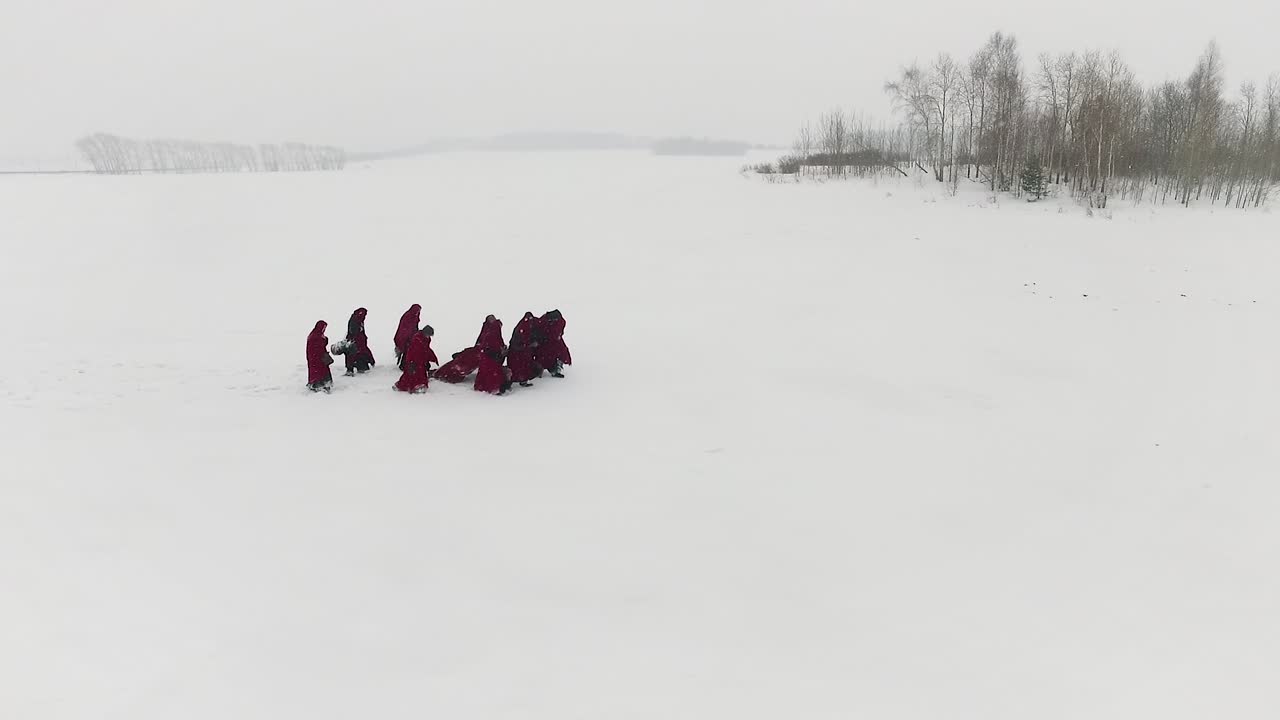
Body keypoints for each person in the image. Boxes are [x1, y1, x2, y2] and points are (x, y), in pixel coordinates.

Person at [394, 325, 438, 393]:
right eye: (428, 335)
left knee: (421, 374)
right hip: (413, 360)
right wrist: (410, 362)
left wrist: (431, 357)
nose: (428, 336)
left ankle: (420, 385)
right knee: (410, 374)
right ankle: (402, 386)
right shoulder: (416, 339)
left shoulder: (426, 339)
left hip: (421, 360)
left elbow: (426, 349)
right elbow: (411, 351)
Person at [506, 311, 543, 386]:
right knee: (519, 367)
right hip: (518, 352)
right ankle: (513, 381)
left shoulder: (525, 326)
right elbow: (518, 342)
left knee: (524, 366)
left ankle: (523, 380)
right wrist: (530, 345)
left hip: (522, 351)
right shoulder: (522, 328)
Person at [535, 309, 571, 378]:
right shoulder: (544, 320)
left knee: (561, 354)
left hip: (554, 342)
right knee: (543, 356)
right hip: (544, 342)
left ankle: (556, 369)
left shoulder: (560, 322)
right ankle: (539, 369)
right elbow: (538, 330)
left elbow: (559, 332)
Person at [344, 307, 375, 376]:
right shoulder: (356, 320)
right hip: (356, 343)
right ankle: (352, 369)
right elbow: (354, 331)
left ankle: (354, 368)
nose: (365, 317)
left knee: (357, 355)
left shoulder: (357, 319)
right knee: (355, 355)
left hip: (358, 343)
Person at [306, 320, 334, 393]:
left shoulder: (317, 334)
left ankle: (322, 382)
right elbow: (318, 346)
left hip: (318, 357)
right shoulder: (315, 336)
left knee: (321, 370)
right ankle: (316, 385)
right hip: (316, 358)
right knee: (318, 371)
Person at [393, 304, 422, 370]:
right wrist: (408, 337)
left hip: (411, 337)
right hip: (405, 338)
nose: (418, 312)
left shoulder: (415, 316)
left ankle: (406, 364)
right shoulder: (408, 316)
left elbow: (414, 327)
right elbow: (404, 328)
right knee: (407, 351)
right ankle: (403, 365)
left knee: (409, 351)